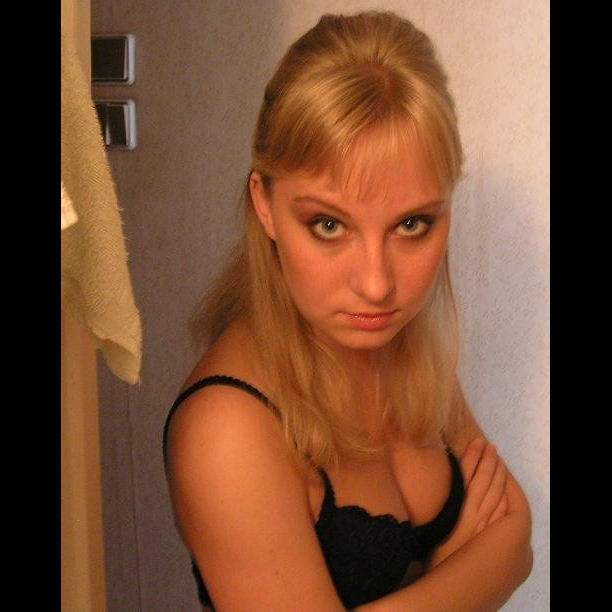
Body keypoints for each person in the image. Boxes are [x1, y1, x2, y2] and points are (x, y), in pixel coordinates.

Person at [163, 10, 533, 611]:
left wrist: (488, 565)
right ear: (265, 205)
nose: (377, 285)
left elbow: (517, 542)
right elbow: (500, 557)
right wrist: (464, 569)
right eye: (329, 225)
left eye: (412, 225)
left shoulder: (405, 345)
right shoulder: (226, 430)